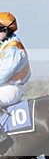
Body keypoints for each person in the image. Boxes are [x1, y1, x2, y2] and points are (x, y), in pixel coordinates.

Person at [0, 12, 31, 146]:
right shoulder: (5, 44)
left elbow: (5, 72)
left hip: (11, 88)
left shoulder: (13, 47)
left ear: (7, 30)